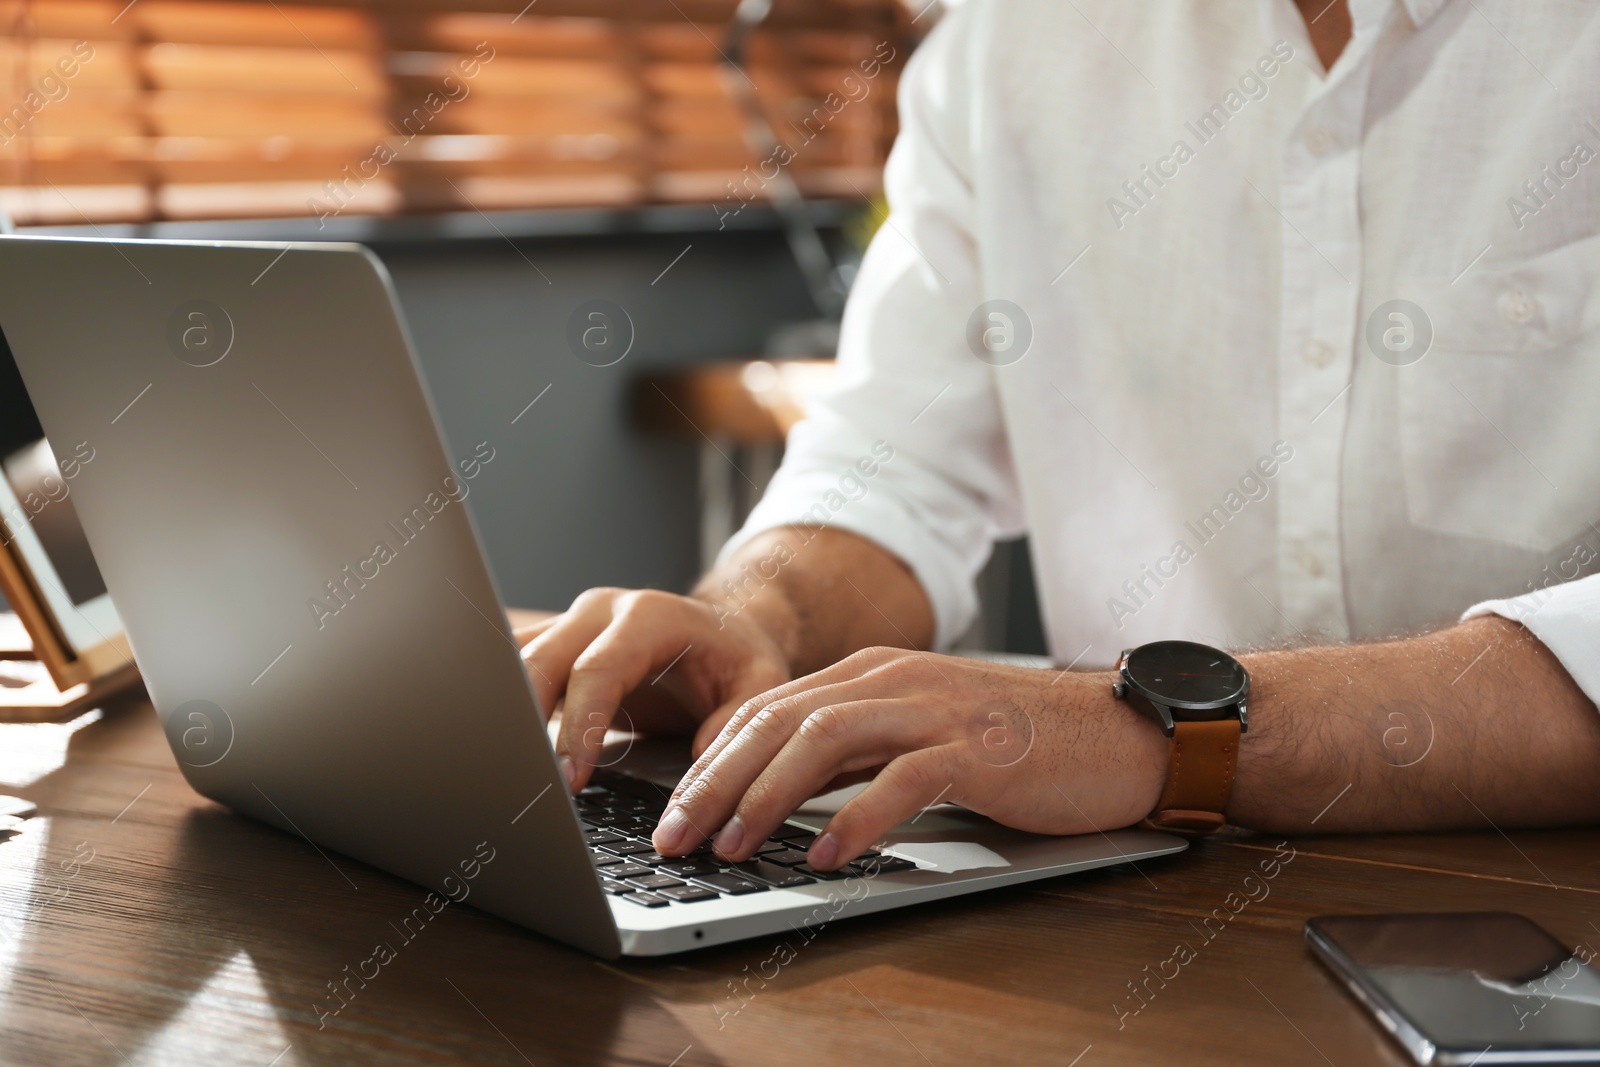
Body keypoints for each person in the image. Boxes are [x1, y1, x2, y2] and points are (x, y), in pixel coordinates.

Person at [520, 0, 1600, 872]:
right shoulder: (1012, 39)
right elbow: (893, 466)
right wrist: (749, 617)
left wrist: (1144, 730)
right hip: (1139, 901)